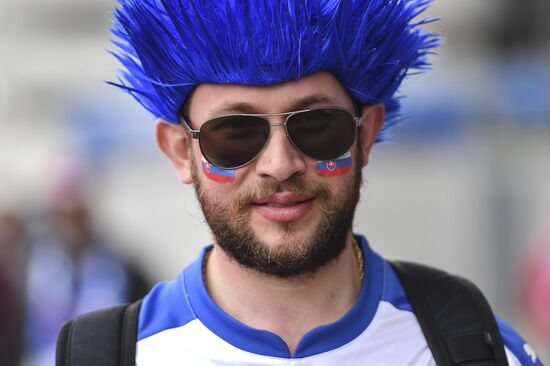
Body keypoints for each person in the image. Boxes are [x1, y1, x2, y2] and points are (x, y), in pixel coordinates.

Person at [89, 0, 542, 364]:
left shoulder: (477, 349)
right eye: (234, 133)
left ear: (365, 134)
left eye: (318, 125)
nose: (280, 164)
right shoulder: (115, 355)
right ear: (178, 151)